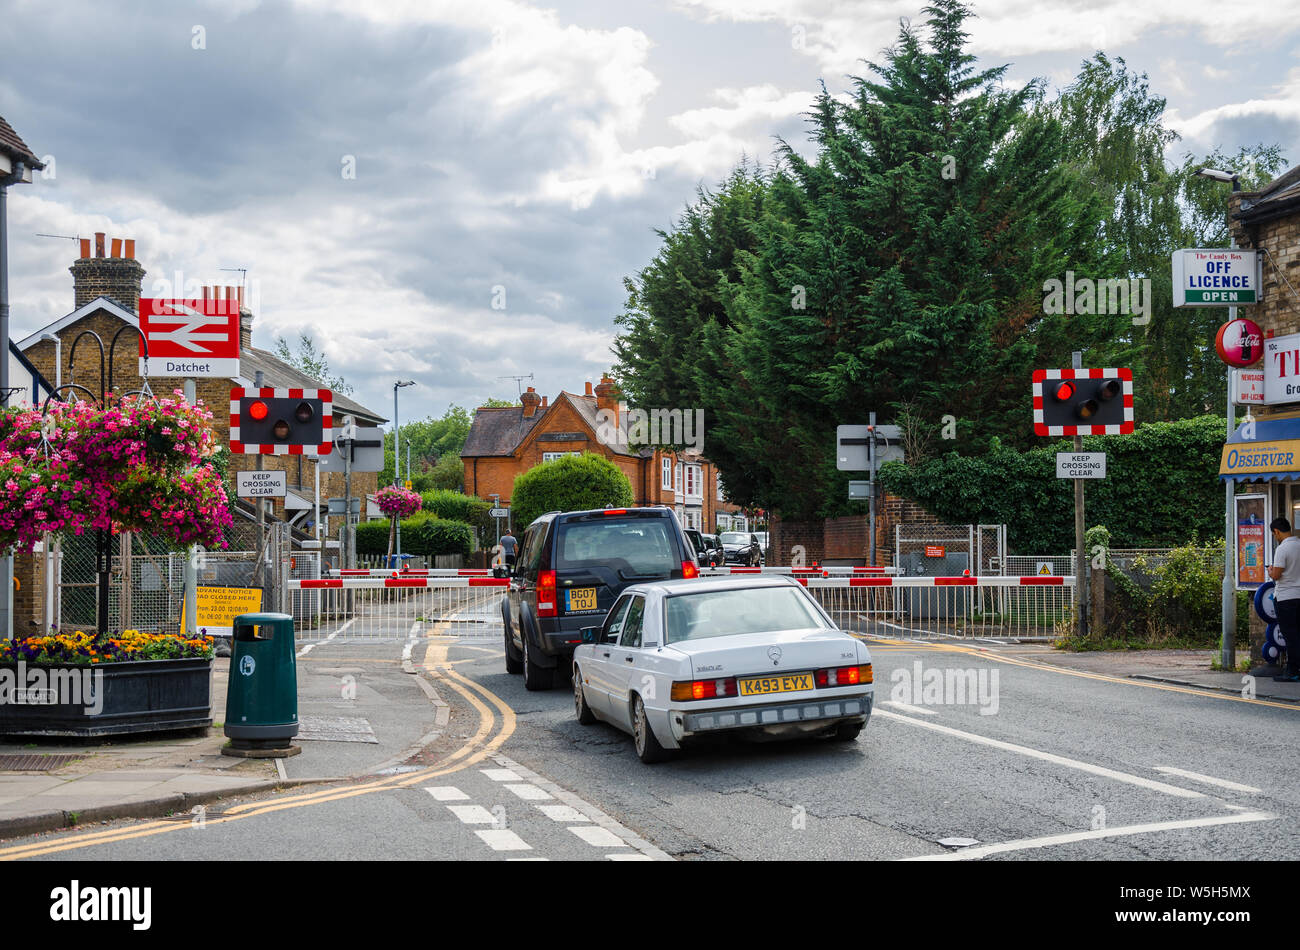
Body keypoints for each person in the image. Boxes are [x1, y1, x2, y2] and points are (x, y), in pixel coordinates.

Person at [1268, 517, 1300, 682]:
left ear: (1277, 532)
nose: (1276, 537)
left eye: (1274, 534)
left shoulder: (1283, 548)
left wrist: (1271, 571)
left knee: (1290, 635)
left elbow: (1277, 575)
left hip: (1286, 598)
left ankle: (1293, 671)